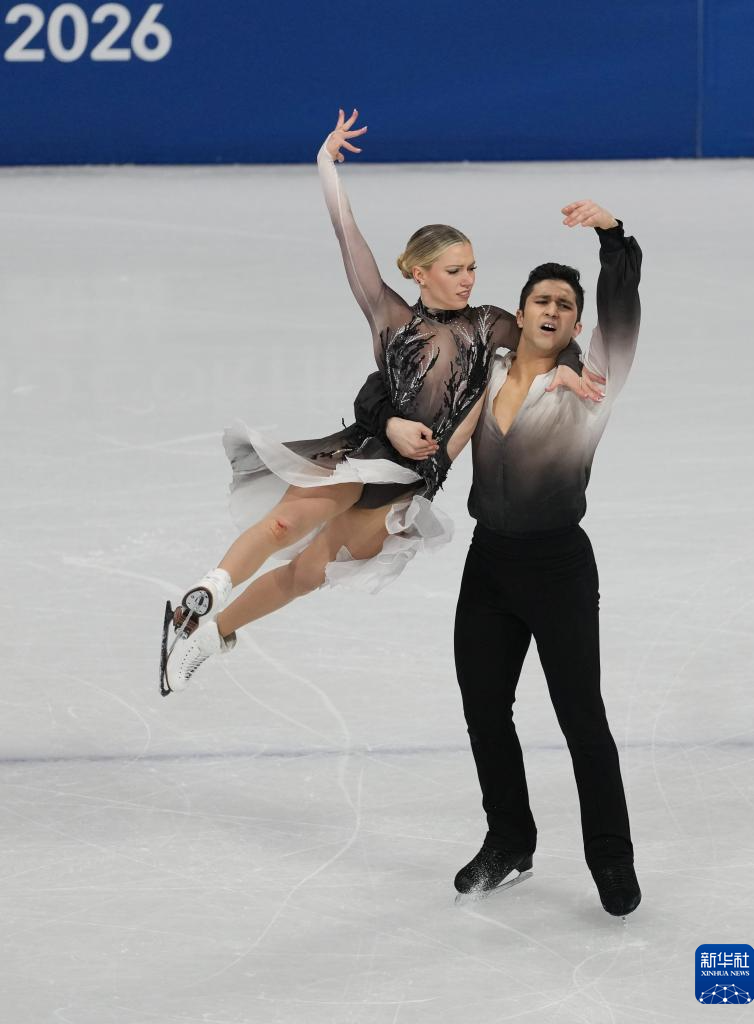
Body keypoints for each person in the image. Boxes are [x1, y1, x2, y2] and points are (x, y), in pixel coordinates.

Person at [159, 111, 597, 695]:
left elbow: (550, 335)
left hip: (414, 480)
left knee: (308, 573)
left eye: (472, 268)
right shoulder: (391, 317)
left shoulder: (491, 324)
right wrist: (326, 165)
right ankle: (209, 589)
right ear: (420, 273)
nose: (468, 279)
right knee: (286, 522)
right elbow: (350, 241)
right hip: (364, 451)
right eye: (454, 269)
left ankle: (210, 637)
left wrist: (569, 368)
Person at [354, 198, 643, 917]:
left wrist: (612, 239)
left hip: (557, 568)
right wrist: (390, 423)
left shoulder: (593, 383)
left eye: (566, 305)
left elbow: (622, 310)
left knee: (581, 718)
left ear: (576, 324)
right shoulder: (489, 368)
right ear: (520, 313)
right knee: (484, 709)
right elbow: (386, 382)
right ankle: (509, 839)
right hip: (489, 566)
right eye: (541, 299)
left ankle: (611, 858)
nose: (553, 310)